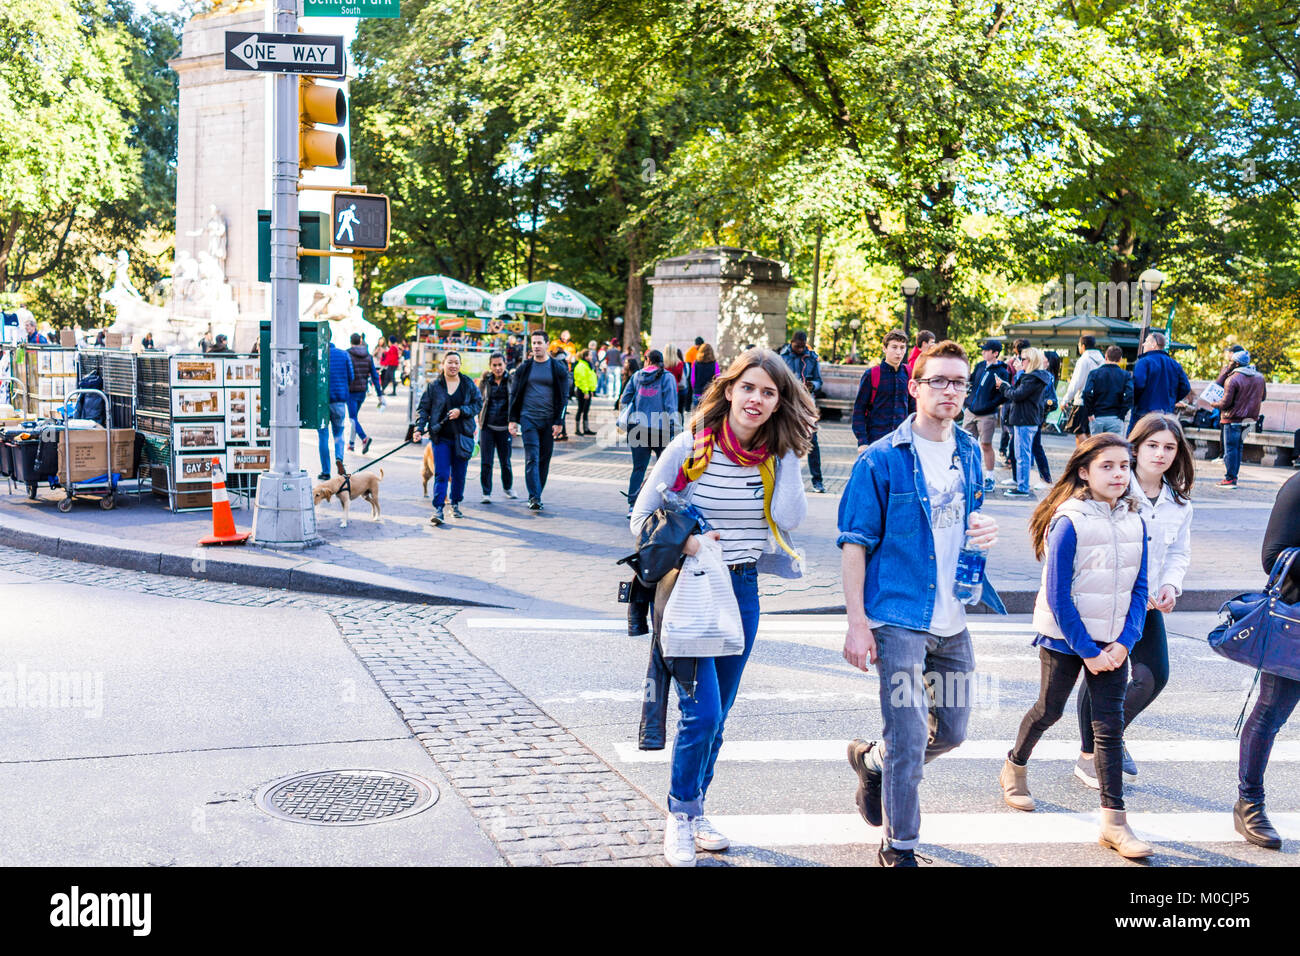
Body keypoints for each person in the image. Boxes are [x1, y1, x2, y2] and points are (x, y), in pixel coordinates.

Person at [632, 348, 814, 866]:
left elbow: (792, 519)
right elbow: (639, 517)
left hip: (742, 591)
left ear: (779, 403)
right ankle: (679, 815)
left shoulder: (777, 458)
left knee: (720, 713)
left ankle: (696, 808)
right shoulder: (691, 447)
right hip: (689, 589)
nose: (757, 399)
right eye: (749, 388)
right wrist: (687, 542)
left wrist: (794, 455)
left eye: (769, 393)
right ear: (729, 389)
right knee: (703, 712)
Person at [839, 340, 1006, 867]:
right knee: (909, 734)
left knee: (952, 730)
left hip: (953, 615)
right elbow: (853, 544)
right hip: (898, 618)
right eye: (938, 381)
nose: (951, 390)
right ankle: (900, 846)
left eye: (959, 382)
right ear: (914, 387)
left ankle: (874, 761)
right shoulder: (881, 460)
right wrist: (857, 624)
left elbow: (968, 522)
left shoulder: (969, 455)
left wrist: (985, 533)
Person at [1000, 432, 1152, 859]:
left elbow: (1141, 588)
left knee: (1108, 728)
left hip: (1113, 640)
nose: (1119, 474)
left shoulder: (1135, 519)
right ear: (1084, 472)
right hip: (1066, 637)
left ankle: (1114, 824)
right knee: (1050, 709)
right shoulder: (1069, 520)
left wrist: (1125, 642)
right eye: (1108, 466)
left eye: (1124, 465)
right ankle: (1014, 764)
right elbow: (1057, 593)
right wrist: (1087, 649)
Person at [1073, 413, 1192, 788]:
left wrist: (1171, 585)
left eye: (1169, 447)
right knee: (1102, 673)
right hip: (1109, 598)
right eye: (1152, 445)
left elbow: (1178, 554)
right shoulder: (1114, 491)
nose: (1160, 454)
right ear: (1135, 447)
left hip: (1147, 604)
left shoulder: (1180, 503)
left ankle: (1111, 734)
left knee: (1152, 677)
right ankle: (1092, 752)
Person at [1234, 470, 1300, 848]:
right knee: (1271, 712)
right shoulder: (1297, 487)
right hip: (1296, 624)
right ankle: (1249, 803)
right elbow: (1273, 556)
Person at [414, 350, 481, 525]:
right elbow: (424, 409)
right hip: (441, 438)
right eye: (450, 362)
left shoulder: (468, 384)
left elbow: (478, 404)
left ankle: (456, 503)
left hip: (462, 437)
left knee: (459, 475)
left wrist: (462, 411)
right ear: (443, 364)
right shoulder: (434, 386)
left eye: (456, 363)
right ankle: (438, 509)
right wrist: (419, 429)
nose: (453, 365)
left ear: (460, 365)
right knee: (441, 474)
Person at [508, 329, 569, 511]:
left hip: (549, 421)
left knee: (544, 459)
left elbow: (564, 397)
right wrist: (512, 419)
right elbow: (515, 394)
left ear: (547, 344)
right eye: (533, 343)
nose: (536, 346)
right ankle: (534, 496)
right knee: (531, 458)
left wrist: (559, 421)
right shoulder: (524, 368)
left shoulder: (558, 369)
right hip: (529, 419)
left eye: (539, 343)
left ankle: (537, 493)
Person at [620, 349, 678, 516]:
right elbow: (670, 405)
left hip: (637, 427)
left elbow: (625, 398)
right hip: (661, 430)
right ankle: (661, 504)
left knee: (638, 468)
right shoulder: (667, 377)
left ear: (647, 360)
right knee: (664, 468)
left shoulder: (637, 376)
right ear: (661, 361)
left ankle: (633, 506)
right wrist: (675, 428)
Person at [996, 346, 1053, 498]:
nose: (1021, 362)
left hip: (1024, 420)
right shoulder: (1037, 377)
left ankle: (1022, 487)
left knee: (1022, 456)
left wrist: (1003, 387)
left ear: (1031, 360)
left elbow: (1016, 395)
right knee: (1023, 454)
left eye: (1023, 359)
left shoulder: (1031, 378)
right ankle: (1021, 484)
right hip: (1029, 419)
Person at [1210, 349, 1267, 489]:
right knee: (1238, 448)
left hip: (1232, 419)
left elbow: (1225, 403)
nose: (1228, 363)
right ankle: (1233, 477)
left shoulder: (1233, 379)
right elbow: (1263, 397)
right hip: (1249, 420)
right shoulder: (1260, 377)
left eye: (1231, 361)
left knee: (1230, 449)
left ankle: (1230, 479)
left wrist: (1213, 404)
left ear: (1236, 363)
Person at [851, 329, 912, 450]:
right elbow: (859, 410)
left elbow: (913, 409)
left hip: (902, 440)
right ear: (885, 348)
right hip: (876, 440)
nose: (899, 352)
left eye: (902, 347)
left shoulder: (908, 374)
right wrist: (862, 441)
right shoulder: (872, 374)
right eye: (894, 347)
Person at [781, 330, 825, 493]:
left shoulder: (812, 358)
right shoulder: (782, 357)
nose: (800, 349)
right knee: (784, 441)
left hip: (806, 404)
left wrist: (812, 385)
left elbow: (819, 380)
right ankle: (783, 479)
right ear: (791, 343)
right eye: (797, 346)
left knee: (812, 441)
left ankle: (817, 481)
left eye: (802, 346)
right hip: (787, 403)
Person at [964, 338, 1011, 490]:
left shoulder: (1002, 371)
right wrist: (968, 402)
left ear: (995, 353)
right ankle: (967, 475)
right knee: (966, 443)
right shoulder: (980, 366)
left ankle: (989, 478)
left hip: (987, 415)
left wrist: (989, 405)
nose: (983, 352)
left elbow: (1003, 394)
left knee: (985, 445)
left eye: (986, 350)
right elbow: (970, 382)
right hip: (970, 412)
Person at [477, 352, 516, 503]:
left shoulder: (512, 380)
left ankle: (508, 488)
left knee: (505, 461)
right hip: (487, 426)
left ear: (505, 364)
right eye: (494, 365)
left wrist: (514, 422)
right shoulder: (485, 381)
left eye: (500, 364)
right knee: (486, 461)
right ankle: (486, 492)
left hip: (504, 427)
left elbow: (516, 401)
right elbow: (478, 401)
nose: (498, 368)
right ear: (490, 366)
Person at [1132, 331, 1192, 421]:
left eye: (1146, 341)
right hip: (1166, 413)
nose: (1143, 344)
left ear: (1154, 345)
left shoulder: (1144, 362)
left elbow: (1138, 385)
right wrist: (1171, 400)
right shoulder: (1174, 364)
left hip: (1144, 413)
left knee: (1136, 435)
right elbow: (1186, 387)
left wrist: (1134, 402)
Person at [317, 341, 353, 479]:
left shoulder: (319, 355)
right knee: (338, 433)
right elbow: (351, 376)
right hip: (338, 401)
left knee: (323, 437)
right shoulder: (344, 354)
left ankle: (325, 471)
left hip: (321, 402)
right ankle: (339, 458)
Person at [1081, 345, 1134, 436]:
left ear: (1105, 357)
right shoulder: (1125, 375)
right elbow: (1130, 394)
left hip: (1097, 417)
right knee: (1114, 447)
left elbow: (1086, 393)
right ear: (1120, 359)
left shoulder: (1094, 373)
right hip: (1116, 417)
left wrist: (1090, 413)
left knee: (1097, 447)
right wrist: (1122, 413)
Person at [1062, 335, 1105, 445]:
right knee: (1090, 432)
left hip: (1082, 400)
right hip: (1098, 401)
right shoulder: (1102, 360)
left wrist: (1065, 400)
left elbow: (1076, 382)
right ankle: (1090, 457)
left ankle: (1085, 457)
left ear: (1083, 346)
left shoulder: (1083, 360)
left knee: (1079, 431)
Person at [345, 333, 383, 454]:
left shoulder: (347, 354)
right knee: (354, 418)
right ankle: (351, 444)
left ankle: (364, 438)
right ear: (360, 341)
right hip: (362, 392)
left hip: (350, 391)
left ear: (351, 341)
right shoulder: (368, 356)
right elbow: (375, 376)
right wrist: (379, 394)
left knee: (352, 419)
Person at [572, 348, 598, 436]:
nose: (591, 356)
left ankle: (586, 429)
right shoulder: (581, 366)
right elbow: (582, 380)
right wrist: (586, 392)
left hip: (588, 390)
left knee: (586, 410)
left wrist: (591, 390)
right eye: (590, 355)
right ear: (586, 356)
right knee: (580, 409)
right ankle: (577, 429)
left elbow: (590, 378)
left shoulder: (587, 365)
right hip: (582, 391)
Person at [691, 342, 719, 408]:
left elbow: (692, 379)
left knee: (698, 416)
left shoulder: (696, 363)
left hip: (698, 393)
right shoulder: (714, 364)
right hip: (710, 393)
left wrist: (694, 389)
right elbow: (718, 379)